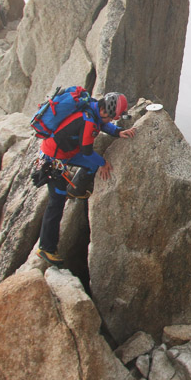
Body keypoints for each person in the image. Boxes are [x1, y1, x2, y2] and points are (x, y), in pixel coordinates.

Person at [36, 91, 136, 266]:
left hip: (66, 153)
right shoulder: (88, 120)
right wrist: (103, 162)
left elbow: (102, 125)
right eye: (112, 118)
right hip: (53, 159)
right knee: (56, 202)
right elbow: (87, 151)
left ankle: (75, 191)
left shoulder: (93, 106)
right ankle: (46, 247)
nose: (111, 121)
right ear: (106, 112)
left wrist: (118, 132)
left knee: (91, 166)